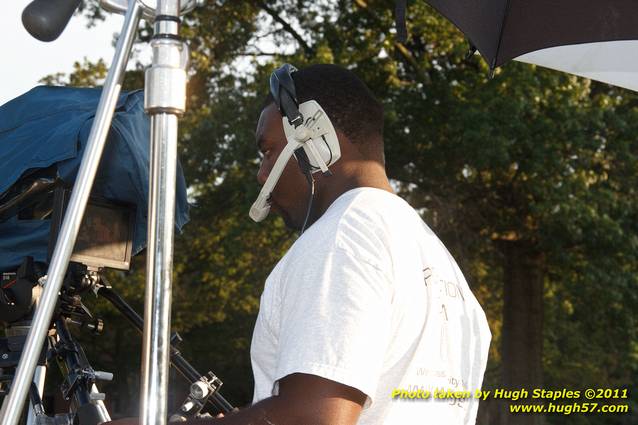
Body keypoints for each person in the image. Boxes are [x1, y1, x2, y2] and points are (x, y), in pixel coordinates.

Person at [109, 63, 491, 425]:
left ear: (317, 137)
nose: (262, 175)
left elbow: (313, 417)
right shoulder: (439, 262)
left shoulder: (344, 235)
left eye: (267, 150)